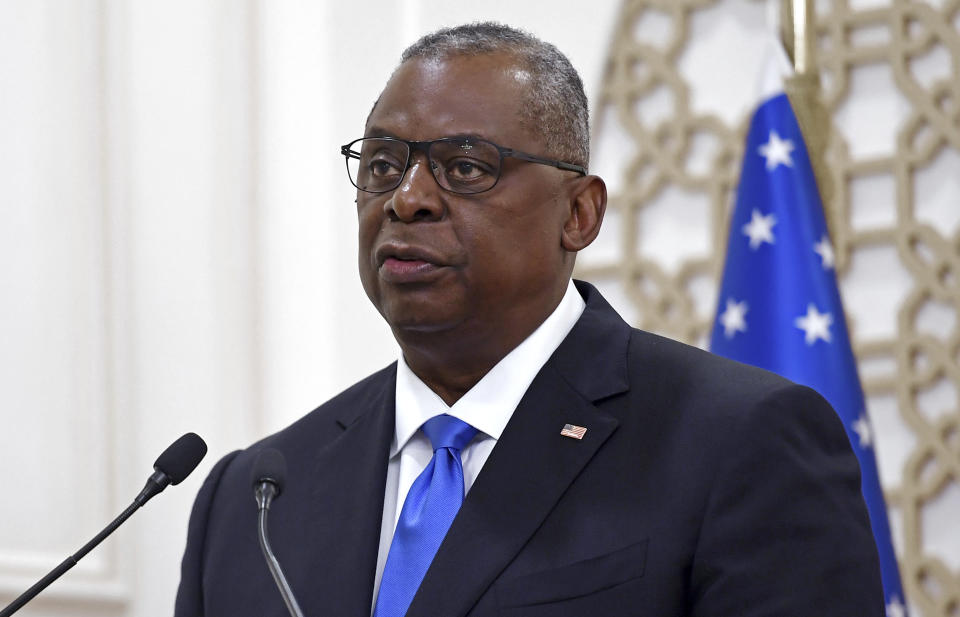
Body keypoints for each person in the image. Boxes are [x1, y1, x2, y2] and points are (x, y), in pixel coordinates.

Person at [174, 22, 885, 617]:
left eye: (465, 167)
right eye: (384, 164)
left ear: (579, 214)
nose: (406, 198)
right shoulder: (252, 499)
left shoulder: (740, 445)